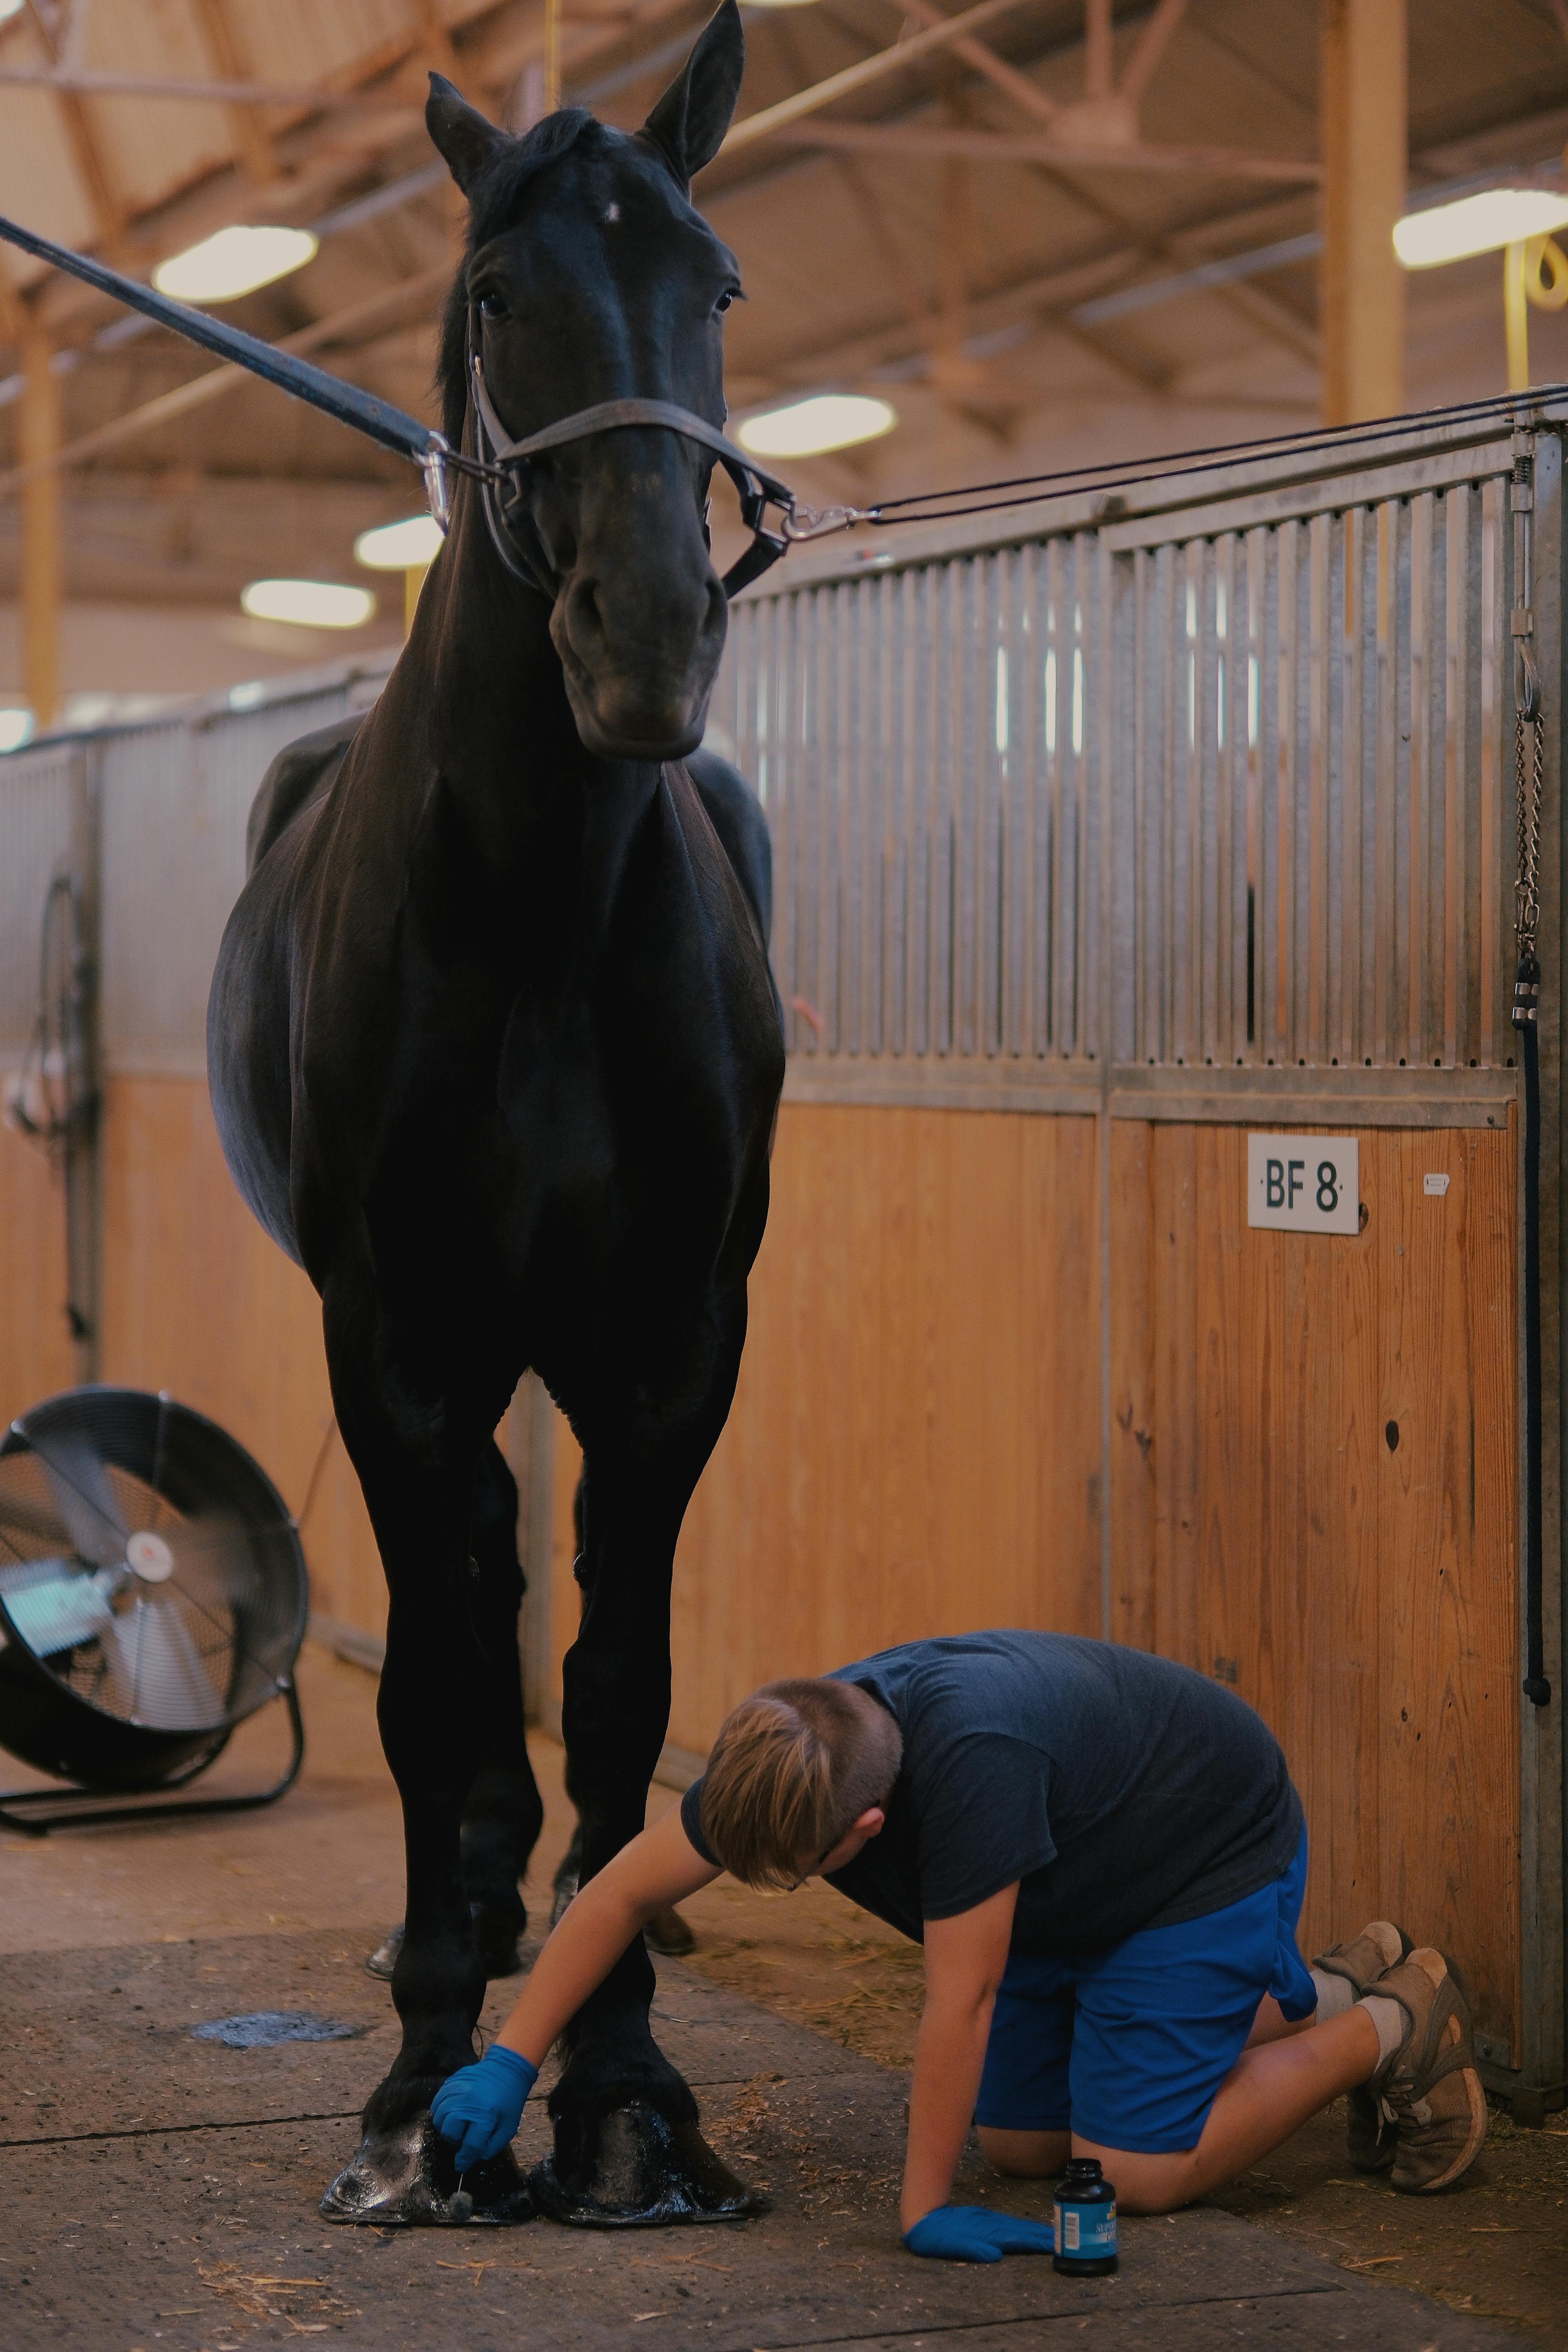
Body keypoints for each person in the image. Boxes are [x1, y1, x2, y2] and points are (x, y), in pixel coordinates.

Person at [432, 1631, 1487, 2259]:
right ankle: (1335, 1986)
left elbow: (963, 2001)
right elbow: (616, 1893)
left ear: (867, 1834)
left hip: (1197, 1865)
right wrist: (512, 2060)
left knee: (1126, 2173)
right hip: (1075, 1881)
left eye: (798, 1872)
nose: (781, 1887)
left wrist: (923, 2208)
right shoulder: (796, 1750)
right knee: (1027, 2152)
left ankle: (1395, 2026)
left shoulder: (975, 1771)